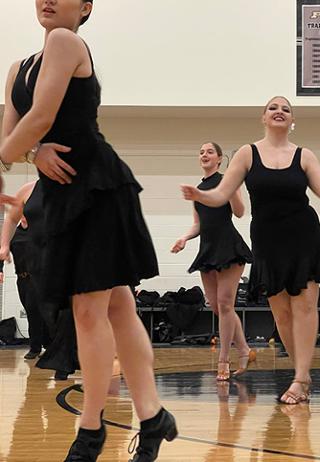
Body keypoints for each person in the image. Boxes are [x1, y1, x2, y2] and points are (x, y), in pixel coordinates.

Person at [0, 1, 176, 459]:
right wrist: (32, 151)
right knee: (118, 307)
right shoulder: (19, 65)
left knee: (88, 314)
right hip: (61, 196)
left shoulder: (66, 41)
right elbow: (14, 133)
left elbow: (38, 118)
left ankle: (91, 431)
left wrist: (23, 148)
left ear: (85, 7)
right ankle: (153, 416)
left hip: (96, 188)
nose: (48, 0)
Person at [182, 96, 320, 404]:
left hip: (303, 235)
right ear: (263, 117)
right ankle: (302, 372)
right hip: (267, 239)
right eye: (273, 108)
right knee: (282, 315)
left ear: (291, 120)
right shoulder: (247, 154)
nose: (279, 111)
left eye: (285, 109)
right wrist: (199, 194)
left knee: (304, 306)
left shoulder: (304, 156)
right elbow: (222, 193)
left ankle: (300, 378)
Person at [172, 141, 255, 381]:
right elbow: (198, 223)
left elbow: (239, 213)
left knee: (226, 304)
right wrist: (184, 238)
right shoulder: (198, 189)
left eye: (210, 151)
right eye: (201, 152)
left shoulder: (226, 181)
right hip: (208, 249)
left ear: (219, 159)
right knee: (219, 308)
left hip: (229, 246)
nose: (204, 154)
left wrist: (232, 189)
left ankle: (224, 359)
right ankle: (246, 350)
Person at [0, 180, 78, 380]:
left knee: (65, 314)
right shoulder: (27, 189)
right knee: (41, 312)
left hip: (64, 262)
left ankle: (63, 362)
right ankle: (53, 351)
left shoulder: (75, 186)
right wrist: (4, 247)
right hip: (33, 270)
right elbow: (10, 219)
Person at [0, 185, 50, 360]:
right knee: (31, 311)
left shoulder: (38, 231)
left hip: (42, 276)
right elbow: (2, 250)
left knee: (48, 312)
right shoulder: (15, 233)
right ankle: (35, 347)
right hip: (23, 278)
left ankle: (50, 346)